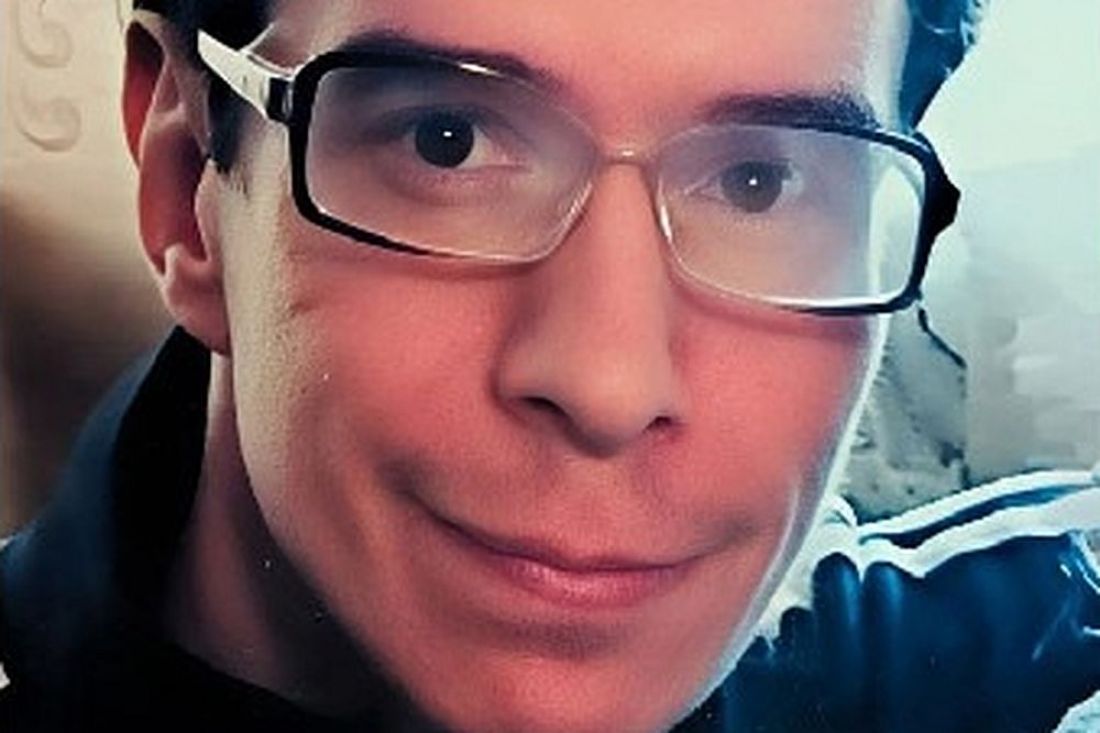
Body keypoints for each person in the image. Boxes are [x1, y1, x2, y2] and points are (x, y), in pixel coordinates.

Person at [1, 0, 1097, 731]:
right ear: (187, 183)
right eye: (446, 140)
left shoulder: (925, 665)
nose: (610, 385)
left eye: (759, 184)